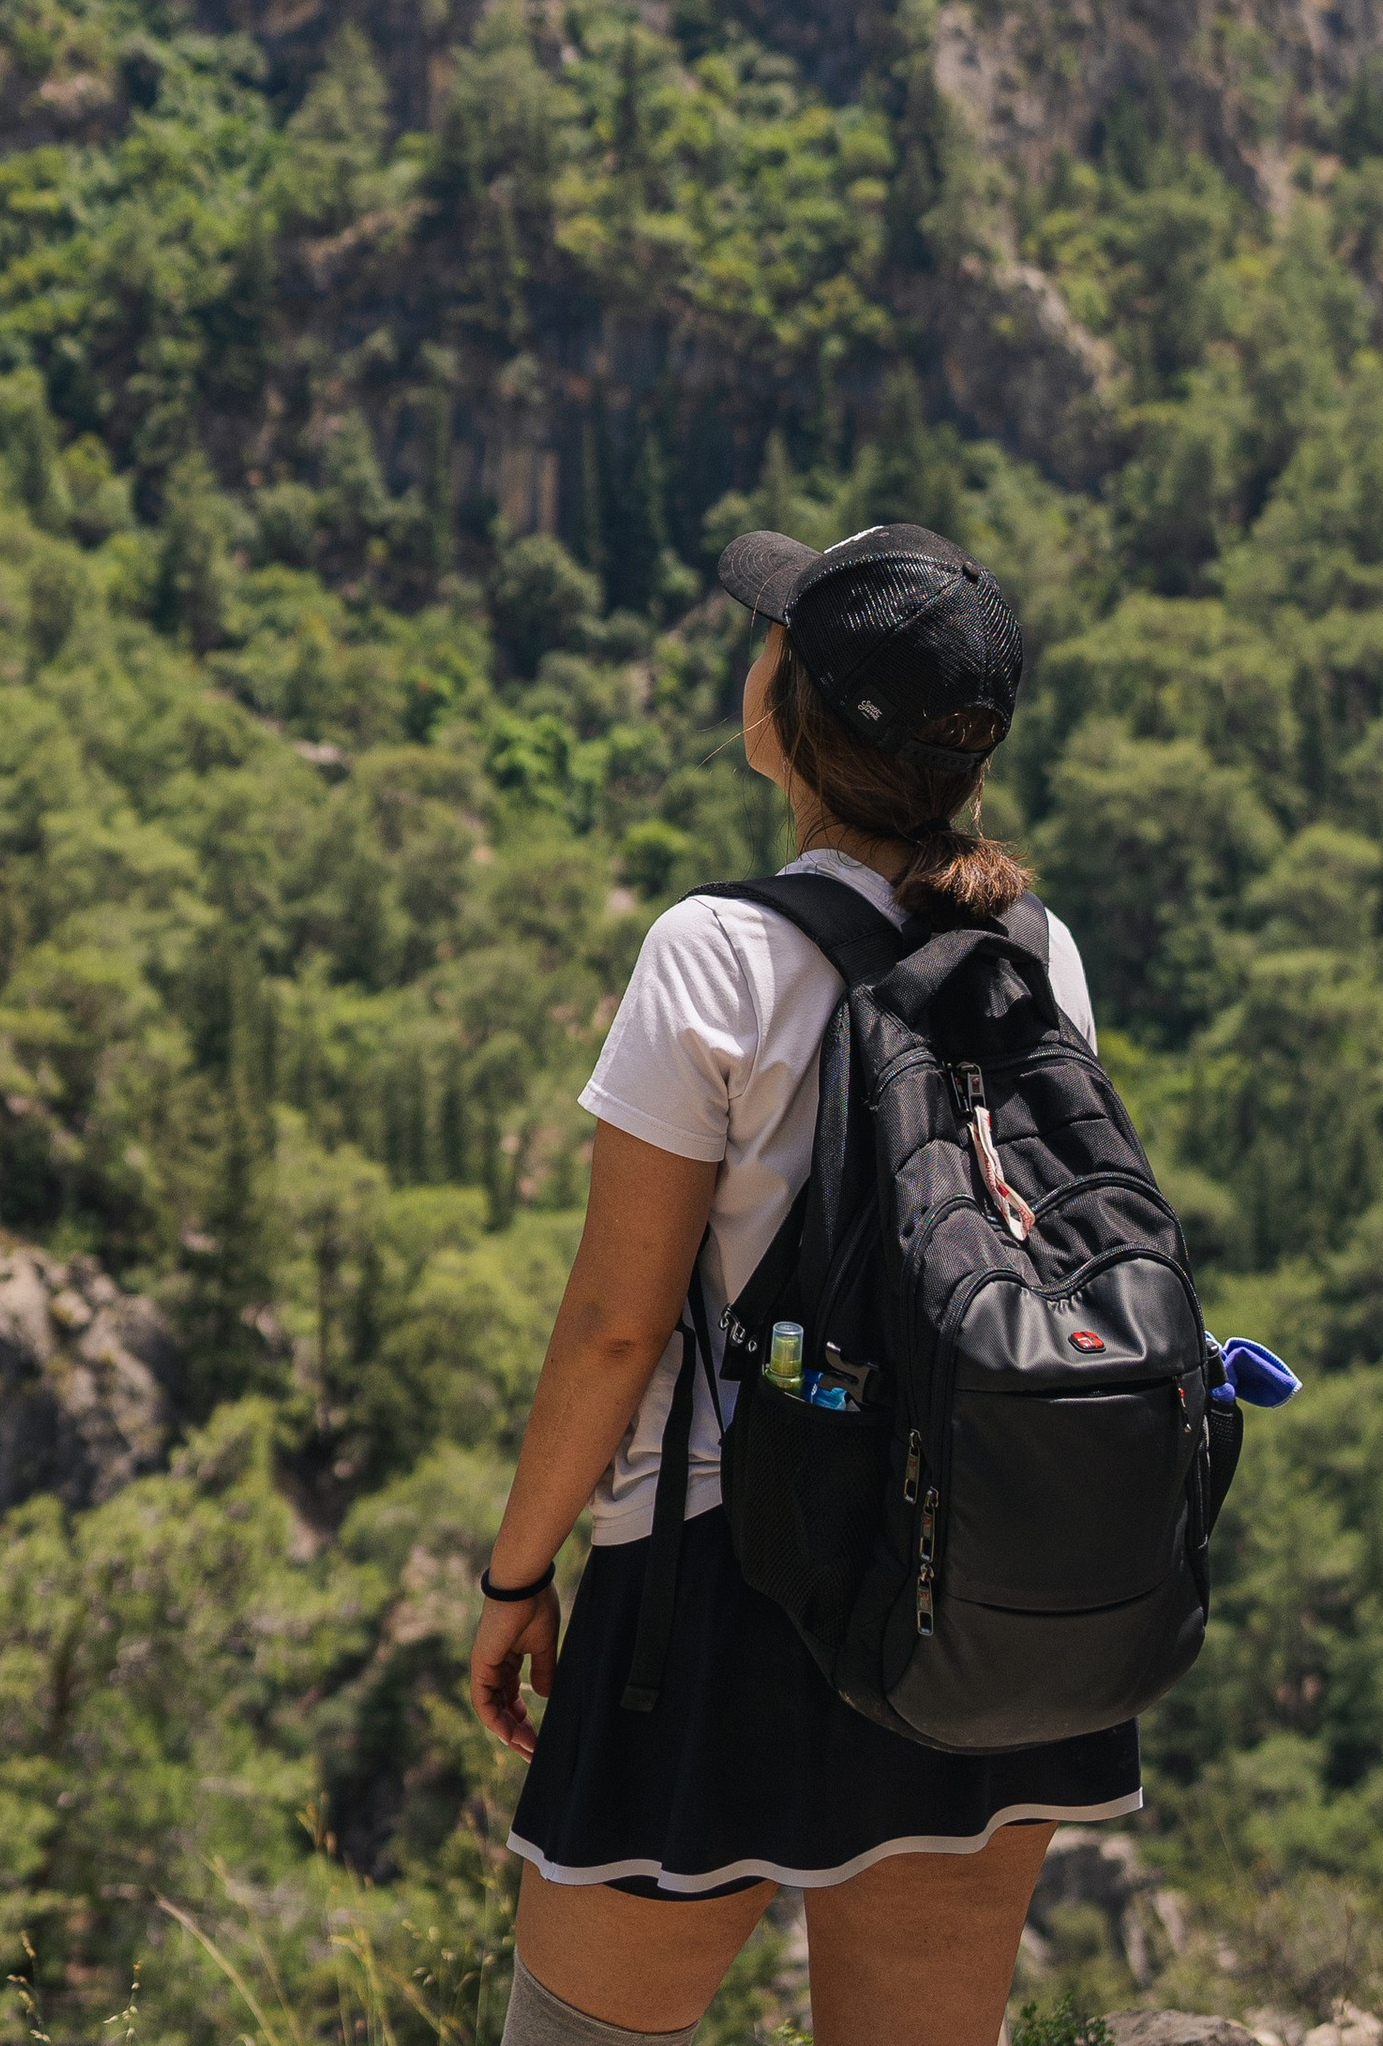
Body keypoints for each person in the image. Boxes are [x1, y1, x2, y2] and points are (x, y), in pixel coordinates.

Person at [467, 522, 1135, 2046]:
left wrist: (517, 1577)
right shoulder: (1041, 949)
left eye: (771, 635)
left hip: (721, 1577)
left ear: (795, 713)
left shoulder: (714, 952)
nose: (748, 650)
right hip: (975, 1584)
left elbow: (619, 1322)